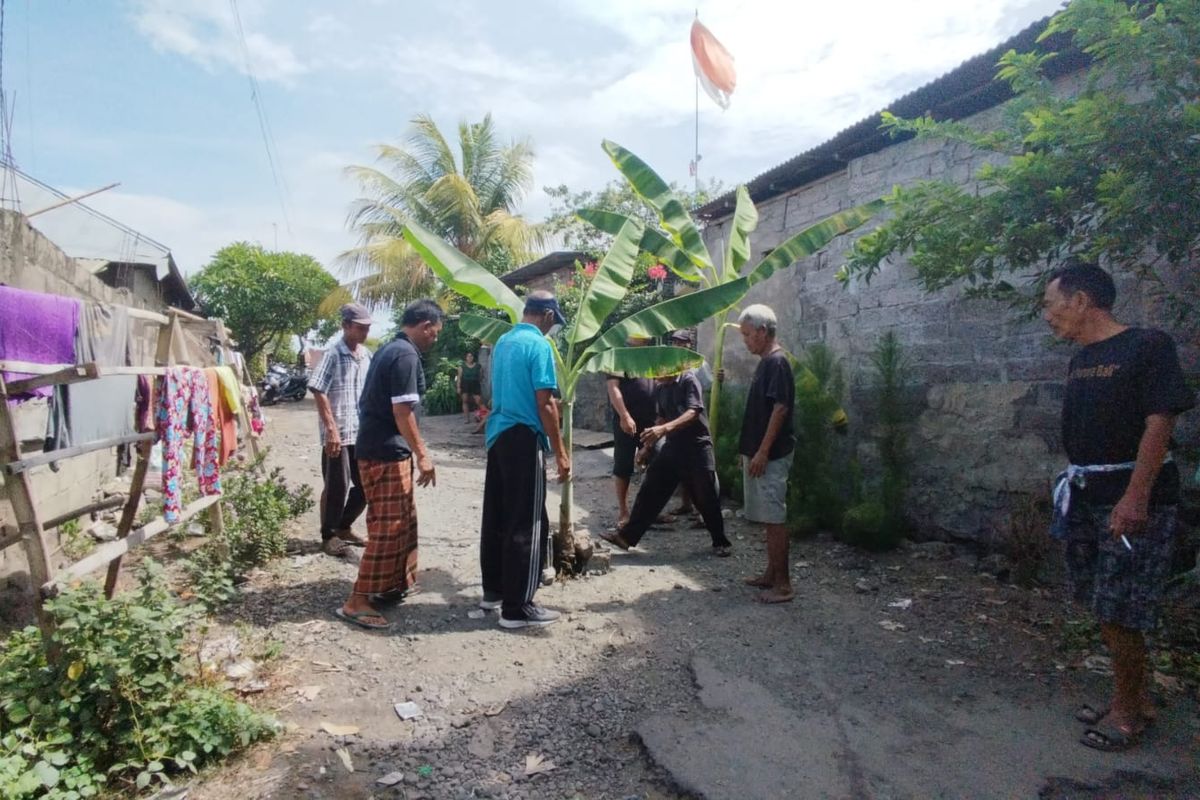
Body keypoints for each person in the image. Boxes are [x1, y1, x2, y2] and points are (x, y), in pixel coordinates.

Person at [1041, 261, 1194, 752]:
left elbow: (1160, 422)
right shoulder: (1081, 358)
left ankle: (1129, 712)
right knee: (1101, 604)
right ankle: (1137, 697)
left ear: (1081, 300)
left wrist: (1135, 496)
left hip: (1131, 502)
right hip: (1088, 497)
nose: (1047, 315)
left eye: (1050, 304)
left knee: (1120, 609)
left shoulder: (1147, 346)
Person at [335, 299, 444, 631]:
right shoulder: (405, 355)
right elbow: (402, 412)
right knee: (389, 527)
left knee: (402, 521)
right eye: (436, 333)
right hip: (385, 453)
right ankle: (358, 600)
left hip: (380, 450)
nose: (435, 339)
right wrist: (423, 454)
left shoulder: (391, 349)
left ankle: (393, 583)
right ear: (426, 326)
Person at [479, 290, 571, 629]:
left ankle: (494, 591)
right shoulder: (539, 346)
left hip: (498, 434)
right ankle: (518, 608)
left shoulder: (503, 342)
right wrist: (560, 451)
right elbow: (545, 403)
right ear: (547, 316)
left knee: (497, 515)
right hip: (523, 436)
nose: (552, 329)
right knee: (527, 521)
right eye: (553, 323)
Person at [599, 360, 733, 557]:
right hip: (674, 446)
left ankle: (720, 542)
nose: (653, 378)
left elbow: (693, 412)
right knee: (651, 486)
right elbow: (661, 418)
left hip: (698, 446)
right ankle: (626, 537)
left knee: (705, 494)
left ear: (668, 368)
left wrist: (664, 429)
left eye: (656, 372)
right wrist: (647, 446)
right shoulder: (662, 388)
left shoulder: (688, 380)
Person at [736, 305, 797, 604]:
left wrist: (762, 451)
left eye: (748, 335)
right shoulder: (766, 362)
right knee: (767, 517)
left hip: (772, 455)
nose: (745, 340)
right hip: (761, 453)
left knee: (774, 518)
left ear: (762, 332)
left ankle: (783, 585)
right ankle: (771, 574)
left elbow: (780, 408)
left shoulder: (777, 363)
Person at [308, 303, 373, 559]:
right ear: (346, 326)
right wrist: (331, 430)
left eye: (367, 328)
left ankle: (343, 526)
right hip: (338, 432)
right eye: (360, 327)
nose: (365, 332)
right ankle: (329, 535)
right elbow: (318, 389)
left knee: (366, 485)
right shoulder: (333, 354)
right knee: (337, 485)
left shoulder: (366, 355)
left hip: (361, 431)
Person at [606, 336, 657, 528]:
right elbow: (613, 389)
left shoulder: (652, 355)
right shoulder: (618, 356)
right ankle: (624, 512)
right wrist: (624, 415)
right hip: (627, 421)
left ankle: (650, 511)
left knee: (656, 464)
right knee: (623, 465)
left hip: (651, 421)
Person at [457, 351, 483, 424]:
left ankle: (479, 416)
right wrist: (458, 387)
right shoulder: (462, 367)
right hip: (465, 385)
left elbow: (481, 376)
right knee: (465, 401)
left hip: (475, 384)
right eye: (468, 356)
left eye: (471, 356)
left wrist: (478, 381)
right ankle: (466, 419)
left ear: (473, 357)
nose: (470, 358)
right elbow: (459, 378)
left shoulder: (478, 366)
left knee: (478, 401)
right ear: (466, 358)